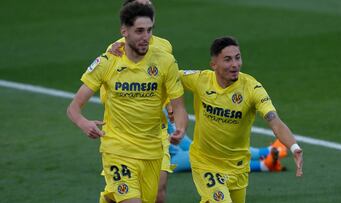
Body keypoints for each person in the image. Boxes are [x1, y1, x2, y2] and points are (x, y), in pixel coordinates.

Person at [66, 2, 188, 203]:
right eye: (139, 31)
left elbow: (179, 105)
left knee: (157, 196)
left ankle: (109, 199)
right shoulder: (109, 58)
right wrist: (83, 123)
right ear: (125, 31)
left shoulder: (165, 58)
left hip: (154, 145)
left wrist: (181, 128)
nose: (145, 36)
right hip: (118, 146)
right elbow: (73, 107)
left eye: (149, 30)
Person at [178, 36, 303, 203]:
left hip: (238, 167)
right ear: (214, 64)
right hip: (206, 163)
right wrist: (171, 104)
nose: (235, 64)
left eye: (237, 58)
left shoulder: (252, 88)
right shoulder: (200, 80)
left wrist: (294, 146)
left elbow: (275, 121)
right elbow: (167, 76)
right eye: (228, 59)